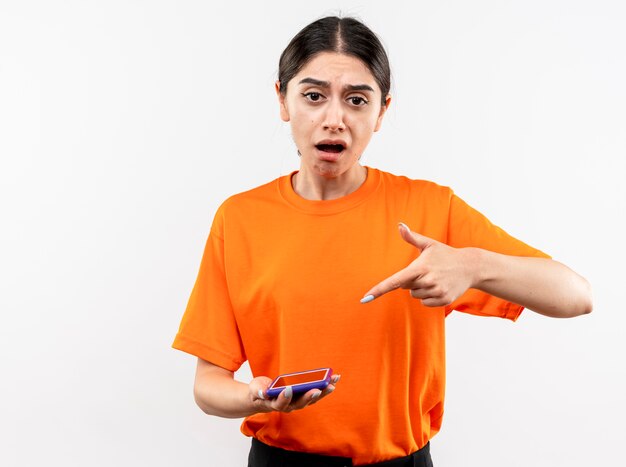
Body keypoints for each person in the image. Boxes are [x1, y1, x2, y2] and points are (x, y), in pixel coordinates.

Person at [172, 15, 592, 467]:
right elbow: (207, 385)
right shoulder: (239, 219)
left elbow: (575, 295)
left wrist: (473, 265)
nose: (334, 120)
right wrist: (254, 397)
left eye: (356, 100)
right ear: (283, 100)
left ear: (382, 112)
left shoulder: (431, 210)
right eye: (313, 96)